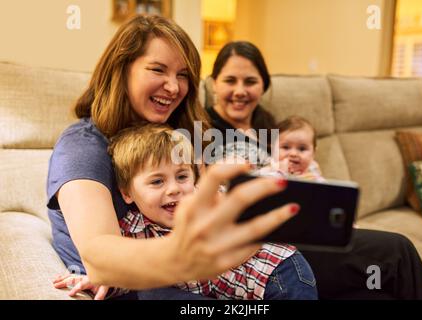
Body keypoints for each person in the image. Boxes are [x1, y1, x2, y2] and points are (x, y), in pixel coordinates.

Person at [46, 15, 298, 300]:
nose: (174, 87)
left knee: (346, 251)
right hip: (152, 290)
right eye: (158, 70)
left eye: (182, 75)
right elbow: (98, 253)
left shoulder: (178, 135)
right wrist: (183, 252)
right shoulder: (82, 146)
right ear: (121, 70)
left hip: (213, 277)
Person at [206, 40, 422, 300]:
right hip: (266, 253)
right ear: (214, 82)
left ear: (263, 85)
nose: (240, 91)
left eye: (250, 81)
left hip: (305, 236)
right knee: (398, 250)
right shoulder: (204, 131)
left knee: (378, 295)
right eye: (230, 80)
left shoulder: (270, 125)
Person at [55, 124, 317, 300]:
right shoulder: (132, 230)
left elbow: (254, 203)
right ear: (127, 193)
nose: (174, 190)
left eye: (182, 176)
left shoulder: (207, 204)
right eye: (157, 181)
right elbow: (133, 271)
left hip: (281, 274)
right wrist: (99, 278)